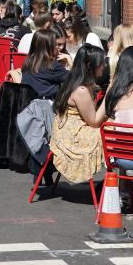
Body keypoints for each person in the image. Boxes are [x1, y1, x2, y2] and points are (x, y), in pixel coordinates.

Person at [49, 44, 107, 184]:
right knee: (111, 135)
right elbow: (93, 122)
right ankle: (115, 183)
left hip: (71, 128)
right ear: (89, 65)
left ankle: (115, 183)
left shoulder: (81, 82)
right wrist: (109, 96)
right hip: (71, 136)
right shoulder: (81, 90)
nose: (104, 66)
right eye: (101, 63)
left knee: (112, 128)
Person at [20, 28, 68, 99]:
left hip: (26, 103)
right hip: (44, 106)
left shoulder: (29, 61)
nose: (59, 47)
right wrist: (70, 61)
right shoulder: (52, 66)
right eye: (56, 44)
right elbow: (75, 80)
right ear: (48, 46)